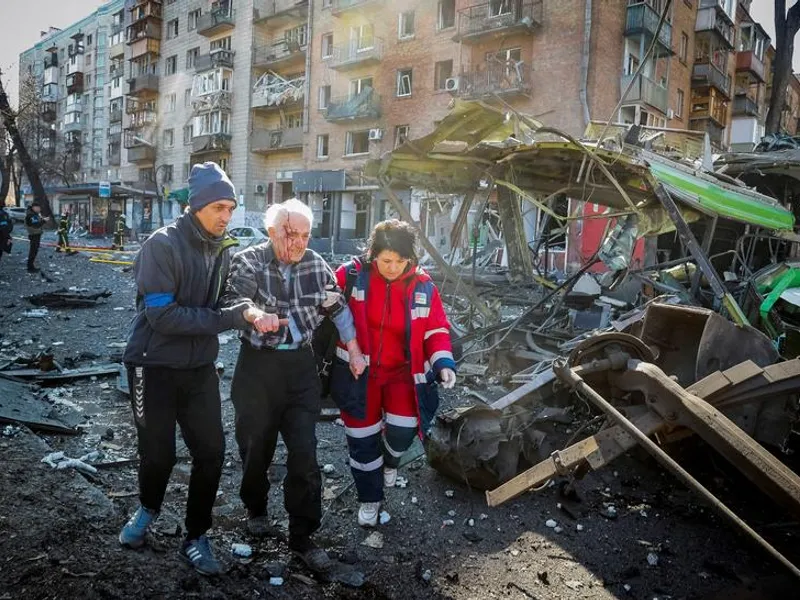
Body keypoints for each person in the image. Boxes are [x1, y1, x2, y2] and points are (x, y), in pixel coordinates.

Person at [119, 162, 269, 576]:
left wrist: (247, 311)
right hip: (152, 367)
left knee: (212, 453)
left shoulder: (222, 249)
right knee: (159, 454)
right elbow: (162, 317)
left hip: (199, 368)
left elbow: (220, 307)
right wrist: (229, 319)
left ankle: (195, 536)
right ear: (198, 206)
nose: (227, 216)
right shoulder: (161, 245)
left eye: (231, 208)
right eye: (220, 207)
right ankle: (147, 510)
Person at [221, 198, 366, 572]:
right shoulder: (249, 259)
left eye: (305, 234)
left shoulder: (317, 265)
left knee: (305, 454)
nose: (299, 242)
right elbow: (236, 300)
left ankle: (302, 536)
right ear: (272, 233)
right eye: (291, 234)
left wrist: (352, 349)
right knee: (256, 448)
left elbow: (338, 308)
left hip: (300, 368)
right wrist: (255, 315)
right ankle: (255, 507)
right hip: (257, 368)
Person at [330, 219, 456, 527]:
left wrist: (443, 363)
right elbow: (323, 305)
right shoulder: (351, 276)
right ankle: (370, 500)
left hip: (403, 376)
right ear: (373, 254)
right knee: (361, 440)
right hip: (359, 374)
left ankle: (389, 462)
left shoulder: (424, 286)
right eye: (386, 260)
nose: (393, 267)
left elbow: (436, 329)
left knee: (402, 432)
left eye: (401, 261)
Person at [24, 201, 48, 273]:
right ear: (34, 208)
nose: (39, 209)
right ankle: (30, 267)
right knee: (33, 251)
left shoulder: (34, 214)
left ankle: (31, 266)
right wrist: (44, 221)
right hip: (34, 235)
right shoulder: (31, 215)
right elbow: (36, 225)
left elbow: (37, 223)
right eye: (38, 208)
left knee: (34, 251)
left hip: (36, 234)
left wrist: (42, 219)